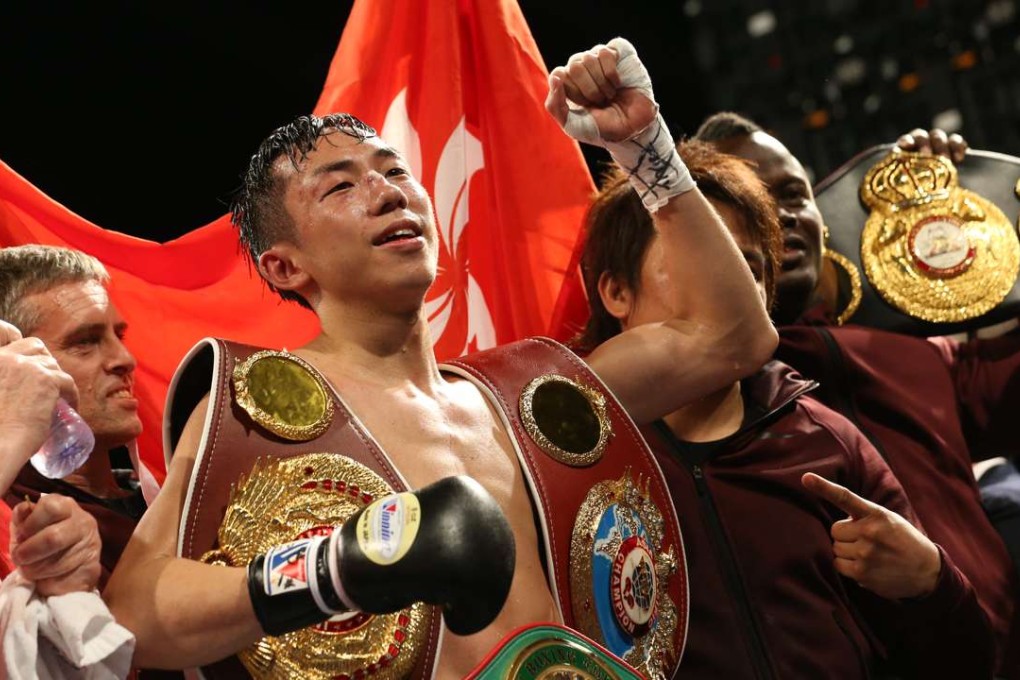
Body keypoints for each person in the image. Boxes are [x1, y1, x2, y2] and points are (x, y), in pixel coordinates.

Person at [103, 38, 777, 677]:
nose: (389, 191)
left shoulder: (528, 392)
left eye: (395, 171)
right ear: (284, 267)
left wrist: (643, 148)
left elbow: (733, 335)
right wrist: (334, 569)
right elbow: (134, 614)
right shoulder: (253, 414)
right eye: (340, 187)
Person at [576, 138, 994, 678]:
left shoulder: (827, 441)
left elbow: (966, 662)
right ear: (616, 292)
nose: (728, 291)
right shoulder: (574, 465)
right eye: (698, 261)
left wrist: (933, 584)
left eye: (747, 269)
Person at [696, 114, 1019, 673]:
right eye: (750, 203)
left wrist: (962, 204)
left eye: (794, 193)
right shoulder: (696, 392)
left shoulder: (910, 353)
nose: (781, 216)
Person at [0, 245, 153, 591]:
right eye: (85, 342)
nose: (125, 359)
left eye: (120, 336)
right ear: (14, 363)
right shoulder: (13, 526)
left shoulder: (151, 482)